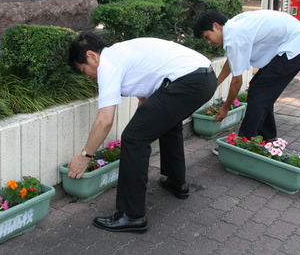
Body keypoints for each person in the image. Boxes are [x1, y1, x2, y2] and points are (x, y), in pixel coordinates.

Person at [67, 33, 217, 233]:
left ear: (92, 56)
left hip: (187, 81)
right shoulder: (122, 53)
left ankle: (131, 215)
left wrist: (85, 156)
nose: (87, 76)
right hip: (205, 78)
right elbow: (148, 92)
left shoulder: (108, 64)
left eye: (82, 69)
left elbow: (105, 120)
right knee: (168, 124)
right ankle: (176, 182)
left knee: (133, 138)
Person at [192, 9, 300, 142]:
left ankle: (244, 142)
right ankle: (267, 138)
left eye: (207, 37)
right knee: (261, 91)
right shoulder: (233, 27)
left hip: (298, 46)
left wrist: (225, 107)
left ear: (216, 26)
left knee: (259, 91)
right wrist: (216, 83)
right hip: (299, 42)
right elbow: (233, 60)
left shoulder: (235, 38)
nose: (209, 42)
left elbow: (237, 82)